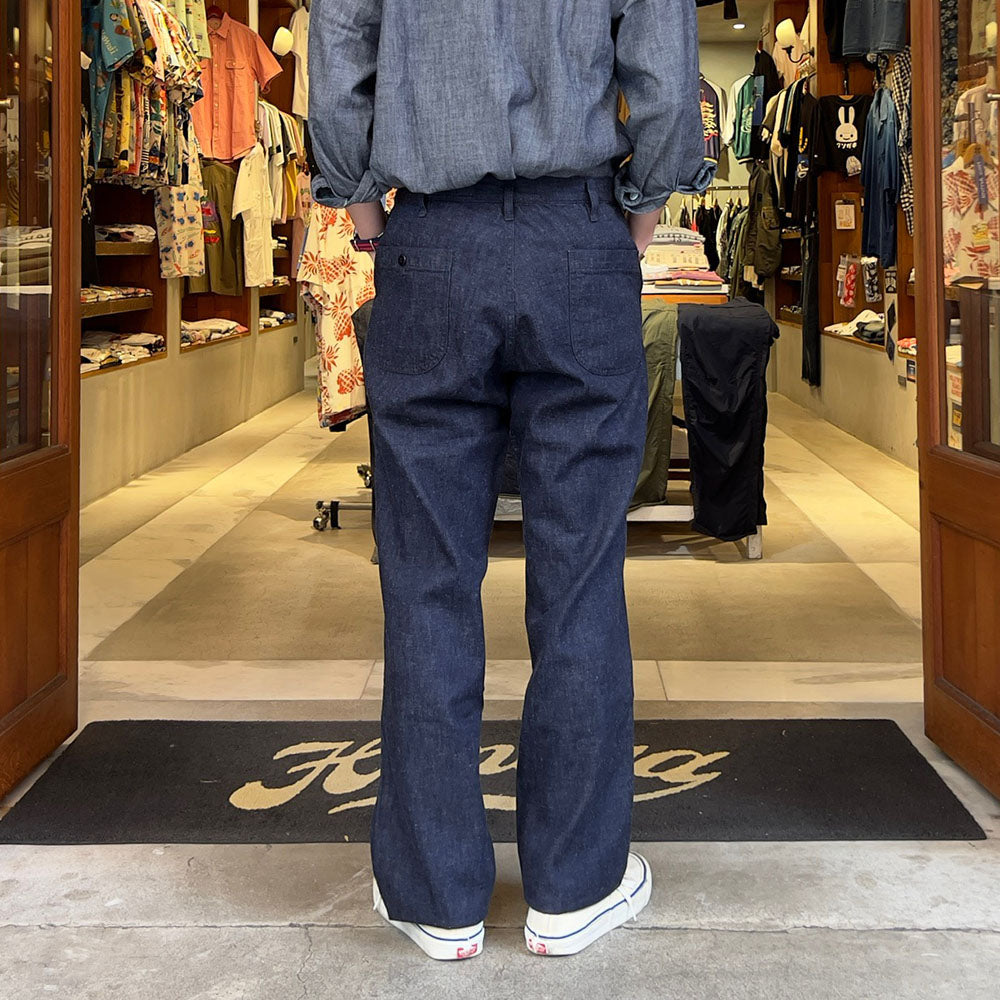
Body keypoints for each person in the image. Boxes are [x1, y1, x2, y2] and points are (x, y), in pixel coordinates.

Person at [309, 0, 712, 961]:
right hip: (579, 236)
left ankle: (437, 896)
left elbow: (339, 48)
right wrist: (639, 215)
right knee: (580, 579)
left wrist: (366, 212)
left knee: (428, 579)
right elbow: (664, 73)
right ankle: (575, 887)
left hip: (432, 238)